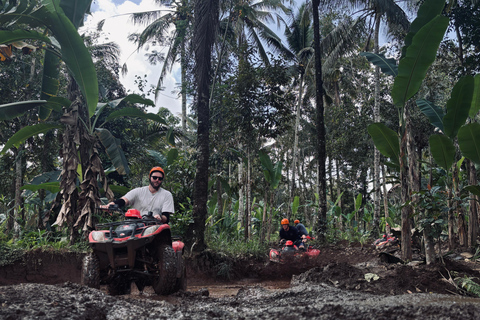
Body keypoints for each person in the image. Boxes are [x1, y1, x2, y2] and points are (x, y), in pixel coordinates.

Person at [103, 166, 174, 223]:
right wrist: (110, 205)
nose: (157, 180)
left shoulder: (166, 195)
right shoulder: (138, 191)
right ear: (150, 177)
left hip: (155, 226)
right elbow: (124, 200)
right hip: (136, 224)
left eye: (160, 178)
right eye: (154, 177)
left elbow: (166, 217)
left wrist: (160, 217)